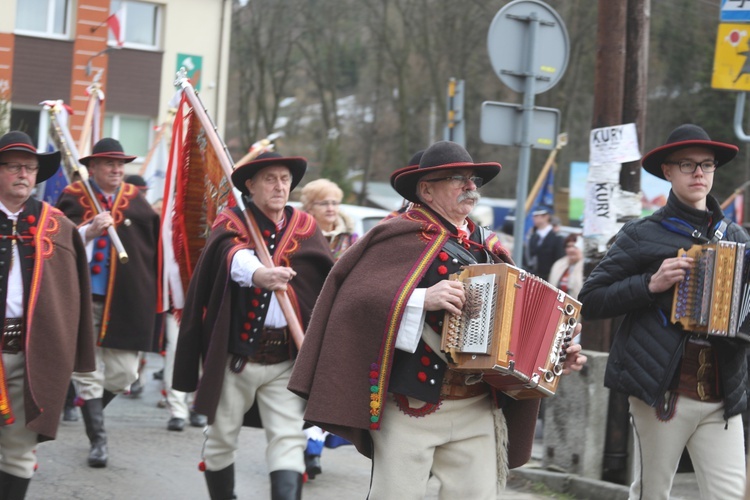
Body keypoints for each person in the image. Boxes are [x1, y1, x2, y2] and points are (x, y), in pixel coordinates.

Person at [289, 141, 586, 499]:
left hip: (477, 405)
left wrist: (554, 354)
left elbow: (516, 326)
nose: (471, 186)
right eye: (456, 179)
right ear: (426, 189)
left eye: (472, 179)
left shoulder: (488, 246)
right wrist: (418, 299)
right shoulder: (397, 234)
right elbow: (353, 303)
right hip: (412, 407)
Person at [579, 124, 749, 500]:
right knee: (652, 494)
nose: (699, 173)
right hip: (663, 392)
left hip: (723, 393)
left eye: (706, 165)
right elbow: (589, 300)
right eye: (687, 165)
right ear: (667, 172)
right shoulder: (641, 234)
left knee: (730, 496)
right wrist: (649, 285)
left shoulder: (737, 237)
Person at [173, 151, 334, 499]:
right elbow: (231, 257)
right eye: (270, 179)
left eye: (285, 179)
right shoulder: (232, 221)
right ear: (250, 184)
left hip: (285, 360)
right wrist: (261, 274)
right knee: (220, 439)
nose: (279, 186)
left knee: (288, 439)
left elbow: (327, 280)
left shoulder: (305, 226)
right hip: (237, 358)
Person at [0, 131, 96, 497]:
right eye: (14, 166)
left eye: (30, 167)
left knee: (19, 451)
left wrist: (72, 353)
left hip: (30, 356)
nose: (24, 174)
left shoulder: (56, 226)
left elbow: (72, 295)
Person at [56, 138, 160, 469]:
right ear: (91, 167)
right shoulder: (73, 197)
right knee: (87, 371)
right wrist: (87, 231)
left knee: (124, 373)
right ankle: (98, 440)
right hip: (83, 300)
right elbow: (57, 243)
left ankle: (90, 405)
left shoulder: (136, 203)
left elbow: (148, 253)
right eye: (109, 164)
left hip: (123, 302)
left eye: (121, 164)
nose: (117, 170)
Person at [298, 178, 357, 478]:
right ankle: (305, 447)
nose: (332, 208)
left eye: (335, 202)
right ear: (310, 207)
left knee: (326, 389)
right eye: (324, 202)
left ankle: (313, 449)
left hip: (338, 322)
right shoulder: (300, 235)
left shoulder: (352, 239)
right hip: (302, 317)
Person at [523, 205, 564, 281]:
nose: (534, 218)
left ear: (546, 216)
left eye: (537, 215)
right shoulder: (533, 237)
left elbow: (560, 260)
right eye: (534, 216)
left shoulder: (557, 237)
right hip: (533, 278)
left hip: (550, 278)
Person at [547, 233, 584, 300]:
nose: (571, 249)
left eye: (574, 246)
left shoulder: (587, 267)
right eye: (568, 246)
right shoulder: (558, 264)